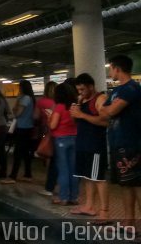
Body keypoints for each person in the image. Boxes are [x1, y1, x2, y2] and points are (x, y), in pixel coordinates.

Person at [99, 55, 141, 227]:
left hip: (132, 143)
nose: (110, 72)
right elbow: (102, 111)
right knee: (125, 184)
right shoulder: (117, 91)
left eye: (110, 68)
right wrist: (109, 109)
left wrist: (109, 109)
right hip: (118, 143)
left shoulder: (131, 88)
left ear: (117, 68)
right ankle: (128, 219)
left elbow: (109, 111)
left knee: (138, 183)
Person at [69, 73, 109, 221]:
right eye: (78, 90)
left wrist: (81, 115)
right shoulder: (82, 100)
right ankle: (89, 206)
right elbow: (77, 121)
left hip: (95, 146)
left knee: (99, 178)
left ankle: (104, 211)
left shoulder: (100, 99)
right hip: (82, 144)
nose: (80, 92)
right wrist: (75, 111)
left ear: (91, 86)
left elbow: (105, 122)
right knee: (87, 177)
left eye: (82, 89)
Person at [49, 83, 79, 205]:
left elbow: (53, 125)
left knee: (63, 169)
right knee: (73, 169)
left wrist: (48, 119)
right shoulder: (74, 107)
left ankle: (63, 198)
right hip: (74, 138)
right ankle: (73, 197)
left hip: (61, 140)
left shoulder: (59, 107)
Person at [1, 80, 35, 184]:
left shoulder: (24, 98)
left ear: (23, 88)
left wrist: (15, 107)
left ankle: (12, 176)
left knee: (18, 153)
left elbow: (17, 113)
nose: (19, 89)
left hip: (22, 128)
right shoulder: (31, 98)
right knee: (25, 153)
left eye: (20, 87)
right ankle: (28, 175)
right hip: (28, 127)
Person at [35, 81, 58, 196]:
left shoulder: (41, 102)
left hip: (46, 129)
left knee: (49, 154)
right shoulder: (58, 103)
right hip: (59, 133)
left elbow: (36, 116)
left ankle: (49, 181)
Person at [0, 79, 14, 179]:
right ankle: (3, 172)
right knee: (1, 151)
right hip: (2, 126)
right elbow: (9, 112)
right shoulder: (2, 98)